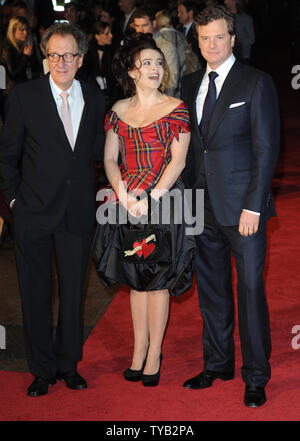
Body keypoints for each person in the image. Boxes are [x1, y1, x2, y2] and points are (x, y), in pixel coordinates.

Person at [181, 5, 280, 407]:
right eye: (204, 38)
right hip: (200, 206)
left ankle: (256, 376)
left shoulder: (255, 83)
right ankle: (218, 363)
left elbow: (266, 148)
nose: (212, 44)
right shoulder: (188, 84)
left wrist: (254, 207)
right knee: (212, 292)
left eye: (219, 36)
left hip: (244, 211)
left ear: (233, 38)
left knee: (251, 291)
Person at [0, 22, 106, 397]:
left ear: (80, 59)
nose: (61, 62)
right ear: (46, 57)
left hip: (76, 214)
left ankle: (68, 365)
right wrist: (14, 201)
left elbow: (99, 153)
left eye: (68, 55)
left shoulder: (94, 98)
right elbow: (7, 156)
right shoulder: (24, 97)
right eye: (53, 55)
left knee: (75, 292)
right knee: (35, 292)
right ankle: (41, 369)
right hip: (33, 213)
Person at [92, 33, 195, 387]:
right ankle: (139, 350)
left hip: (164, 204)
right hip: (126, 203)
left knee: (158, 282)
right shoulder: (118, 111)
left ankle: (154, 353)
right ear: (132, 71)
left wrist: (150, 199)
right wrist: (122, 196)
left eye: (159, 62)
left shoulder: (177, 108)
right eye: (147, 63)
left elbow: (179, 162)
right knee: (136, 282)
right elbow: (109, 158)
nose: (155, 68)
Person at [132, 8, 180, 97]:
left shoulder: (166, 47)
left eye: (144, 25)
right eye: (137, 26)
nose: (140, 30)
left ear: (154, 23)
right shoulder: (134, 46)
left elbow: (172, 83)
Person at [1, 16, 42, 99]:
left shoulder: (24, 44)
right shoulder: (7, 47)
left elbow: (35, 67)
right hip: (11, 91)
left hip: (25, 87)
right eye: (21, 30)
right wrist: (25, 56)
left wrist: (30, 54)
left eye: (26, 29)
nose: (25, 33)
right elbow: (14, 74)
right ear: (13, 31)